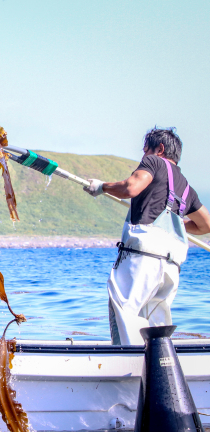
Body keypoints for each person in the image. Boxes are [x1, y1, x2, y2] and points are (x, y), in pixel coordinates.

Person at [84, 127, 210, 345]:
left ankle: (124, 370)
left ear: (159, 149)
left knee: (124, 314)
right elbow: (206, 225)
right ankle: (159, 369)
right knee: (156, 329)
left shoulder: (154, 163)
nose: (143, 156)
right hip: (171, 266)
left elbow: (131, 188)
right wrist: (177, 223)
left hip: (143, 259)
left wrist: (102, 187)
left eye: (145, 150)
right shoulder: (187, 188)